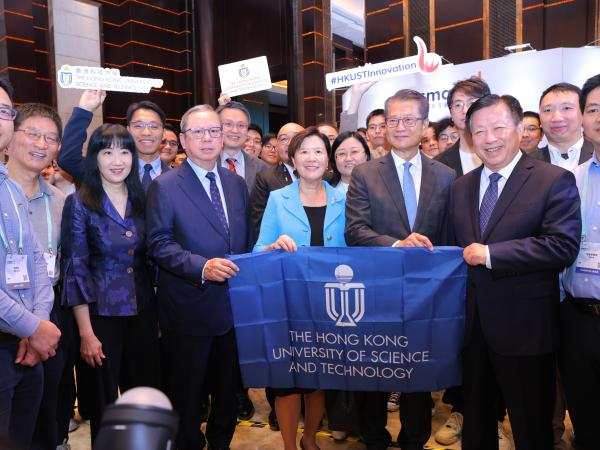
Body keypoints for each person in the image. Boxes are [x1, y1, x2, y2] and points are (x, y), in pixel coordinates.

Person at [449, 94, 581, 450]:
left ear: (520, 128)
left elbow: (562, 246)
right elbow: (452, 249)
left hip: (526, 329)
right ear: (469, 137)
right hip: (472, 331)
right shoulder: (460, 187)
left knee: (531, 427)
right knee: (475, 425)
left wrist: (492, 254)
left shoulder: (552, 180)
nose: (489, 138)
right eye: (479, 131)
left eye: (498, 128)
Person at [345, 89, 455, 450]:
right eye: (394, 119)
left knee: (419, 374)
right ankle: (373, 438)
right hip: (377, 290)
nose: (401, 126)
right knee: (375, 372)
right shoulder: (365, 173)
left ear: (425, 125)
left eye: (410, 119)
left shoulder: (446, 175)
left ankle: (414, 440)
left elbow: (451, 234)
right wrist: (397, 244)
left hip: (428, 293)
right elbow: (356, 231)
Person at [146, 104, 253, 450]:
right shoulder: (165, 186)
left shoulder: (236, 184)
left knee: (227, 397)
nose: (207, 139)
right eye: (198, 132)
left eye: (214, 131)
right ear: (183, 140)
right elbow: (159, 244)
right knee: (187, 398)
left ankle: (220, 444)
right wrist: (202, 267)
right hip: (188, 309)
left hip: (232, 313)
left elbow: (244, 240)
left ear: (223, 137)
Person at [61, 123, 160, 444]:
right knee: (104, 406)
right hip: (100, 318)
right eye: (107, 152)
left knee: (142, 402)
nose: (117, 160)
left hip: (144, 314)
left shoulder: (143, 198)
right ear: (94, 158)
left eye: (124, 151)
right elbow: (75, 268)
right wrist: (86, 333)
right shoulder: (80, 202)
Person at [254, 127, 346, 450]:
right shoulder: (279, 199)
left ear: (328, 159)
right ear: (292, 158)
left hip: (331, 304)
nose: (311, 158)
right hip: (288, 304)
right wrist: (274, 245)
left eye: (318, 151)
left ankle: (310, 439)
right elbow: (257, 251)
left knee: (318, 379)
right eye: (304, 151)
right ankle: (290, 446)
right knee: (287, 382)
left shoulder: (342, 198)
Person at [5, 103, 72, 450]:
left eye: (51, 138)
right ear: (9, 137)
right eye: (32, 132)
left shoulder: (59, 200)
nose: (41, 143)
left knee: (45, 411)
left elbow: (55, 265)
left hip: (46, 315)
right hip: (5, 319)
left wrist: (38, 325)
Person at [560, 73, 600, 450]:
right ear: (583, 120)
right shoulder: (572, 180)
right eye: (593, 108)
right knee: (586, 419)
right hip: (578, 317)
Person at [58, 90, 170, 189]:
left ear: (163, 133)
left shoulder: (176, 179)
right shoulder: (110, 170)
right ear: (128, 130)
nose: (146, 132)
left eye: (154, 126)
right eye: (138, 125)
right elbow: (68, 159)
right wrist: (84, 110)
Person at [251, 122, 304, 237]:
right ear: (278, 146)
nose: (290, 143)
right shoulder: (265, 178)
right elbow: (261, 226)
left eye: (296, 137)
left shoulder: (325, 177)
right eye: (284, 139)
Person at [435, 76, 491, 177]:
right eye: (458, 105)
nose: (465, 111)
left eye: (472, 103)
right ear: (451, 113)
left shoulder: (502, 150)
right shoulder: (439, 164)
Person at [532, 82, 593, 170]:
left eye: (566, 108)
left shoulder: (597, 154)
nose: (556, 118)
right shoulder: (525, 165)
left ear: (583, 114)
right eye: (548, 110)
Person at [217, 102, 267, 196]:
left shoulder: (261, 167)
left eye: (241, 125)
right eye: (228, 124)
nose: (235, 130)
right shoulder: (206, 163)